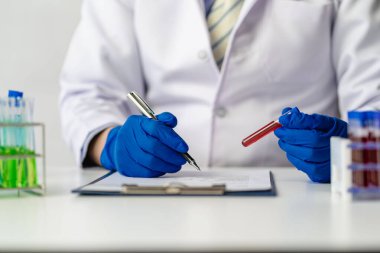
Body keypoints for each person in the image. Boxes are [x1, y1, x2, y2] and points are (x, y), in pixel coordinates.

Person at [60, 0, 380, 183]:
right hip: (160, 193)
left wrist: (350, 151)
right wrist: (112, 143)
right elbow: (89, 93)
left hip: (298, 192)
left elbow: (373, 95)